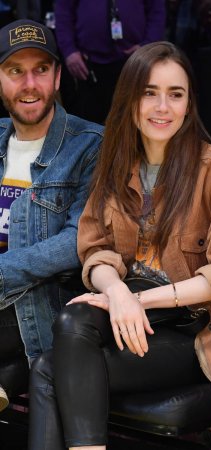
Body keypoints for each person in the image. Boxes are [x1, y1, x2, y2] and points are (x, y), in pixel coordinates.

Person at [28, 41, 211, 450]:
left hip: (192, 329)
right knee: (71, 322)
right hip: (130, 316)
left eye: (175, 94)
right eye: (149, 93)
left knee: (51, 370)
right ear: (130, 99)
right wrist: (118, 292)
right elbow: (95, 248)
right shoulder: (116, 167)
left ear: (189, 104)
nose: (162, 107)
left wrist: (142, 301)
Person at [0, 19, 103, 410]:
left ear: (58, 76)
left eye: (41, 70)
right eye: (15, 71)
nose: (29, 84)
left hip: (41, 305)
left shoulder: (90, 144)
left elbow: (80, 239)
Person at [54, 0, 166, 124]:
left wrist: (148, 46)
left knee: (130, 124)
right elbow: (63, 11)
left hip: (133, 63)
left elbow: (157, 10)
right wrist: (69, 51)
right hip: (87, 66)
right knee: (88, 125)